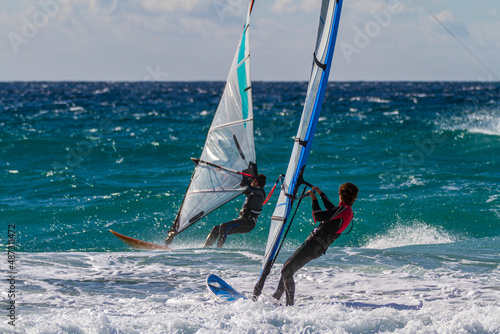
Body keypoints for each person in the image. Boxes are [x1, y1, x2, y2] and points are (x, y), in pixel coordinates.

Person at [271, 182, 359, 306]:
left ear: (341, 195)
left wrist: (314, 199)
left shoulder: (343, 210)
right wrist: (321, 194)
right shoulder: (347, 210)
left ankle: (289, 306)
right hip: (317, 247)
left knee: (286, 270)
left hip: (314, 244)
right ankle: (275, 299)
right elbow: (331, 210)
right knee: (288, 269)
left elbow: (318, 216)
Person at [203, 174, 267, 248]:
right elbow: (241, 188)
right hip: (242, 221)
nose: (252, 181)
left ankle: (218, 249)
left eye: (253, 180)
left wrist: (245, 179)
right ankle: (205, 248)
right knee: (216, 229)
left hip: (248, 223)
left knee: (224, 226)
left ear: (256, 181)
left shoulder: (260, 192)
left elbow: (248, 187)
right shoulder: (252, 192)